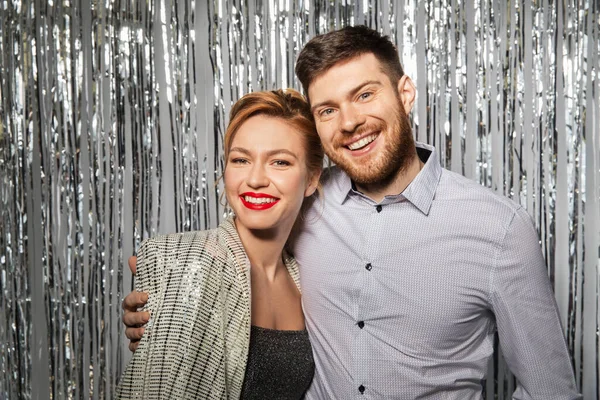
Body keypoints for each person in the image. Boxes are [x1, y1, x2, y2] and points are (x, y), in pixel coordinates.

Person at [122, 26, 581, 399]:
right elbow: (239, 242)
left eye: (364, 95)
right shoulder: (307, 203)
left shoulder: (498, 227)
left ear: (405, 93)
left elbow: (552, 391)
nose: (349, 122)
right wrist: (171, 302)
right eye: (327, 109)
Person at [116, 89, 323, 399]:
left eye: (279, 162)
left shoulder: (304, 276)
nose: (255, 179)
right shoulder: (191, 262)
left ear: (311, 179)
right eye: (241, 159)